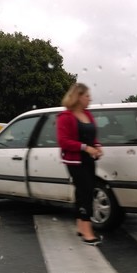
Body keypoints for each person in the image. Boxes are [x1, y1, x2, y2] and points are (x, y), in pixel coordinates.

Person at [56, 83, 103, 246]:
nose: (90, 98)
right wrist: (85, 147)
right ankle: (88, 231)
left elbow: (91, 135)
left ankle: (80, 225)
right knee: (86, 192)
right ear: (78, 97)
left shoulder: (88, 115)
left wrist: (97, 146)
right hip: (74, 160)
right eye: (87, 96)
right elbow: (63, 141)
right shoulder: (65, 117)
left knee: (81, 191)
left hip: (89, 159)